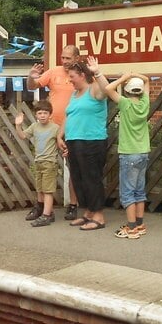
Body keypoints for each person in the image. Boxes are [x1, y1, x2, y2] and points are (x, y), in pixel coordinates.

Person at [27, 45, 80, 220]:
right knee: (43, 166)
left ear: (77, 58)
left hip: (72, 128)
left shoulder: (81, 75)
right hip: (50, 128)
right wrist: (31, 76)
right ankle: (40, 206)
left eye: (68, 58)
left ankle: (73, 205)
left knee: (72, 167)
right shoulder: (54, 71)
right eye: (63, 58)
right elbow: (32, 86)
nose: (64, 62)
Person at [57, 57, 109, 231]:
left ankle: (99, 216)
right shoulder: (74, 94)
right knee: (78, 179)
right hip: (74, 141)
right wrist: (60, 136)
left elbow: (107, 90)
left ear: (81, 75)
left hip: (92, 141)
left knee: (92, 178)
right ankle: (88, 213)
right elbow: (68, 115)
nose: (69, 79)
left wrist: (97, 72)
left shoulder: (94, 89)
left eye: (72, 76)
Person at [104, 71, 151, 239]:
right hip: (143, 152)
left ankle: (131, 228)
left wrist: (124, 77)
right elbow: (147, 81)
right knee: (139, 191)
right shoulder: (145, 104)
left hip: (128, 153)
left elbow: (108, 89)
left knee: (128, 192)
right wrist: (138, 76)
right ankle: (139, 224)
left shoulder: (125, 104)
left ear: (128, 91)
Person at [14, 99, 60, 227]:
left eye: (45, 113)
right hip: (38, 161)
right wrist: (18, 125)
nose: (42, 116)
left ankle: (46, 216)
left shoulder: (55, 128)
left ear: (50, 114)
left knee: (48, 191)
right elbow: (23, 136)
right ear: (36, 115)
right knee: (40, 189)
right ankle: (46, 211)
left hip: (49, 162)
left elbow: (61, 142)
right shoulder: (34, 126)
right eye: (40, 113)